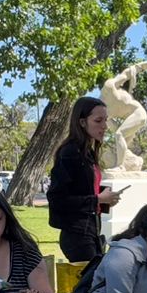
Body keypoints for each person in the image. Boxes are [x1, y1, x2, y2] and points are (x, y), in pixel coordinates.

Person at [48, 95, 123, 263]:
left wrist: (104, 200)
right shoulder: (69, 153)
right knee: (90, 286)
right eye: (98, 121)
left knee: (94, 284)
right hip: (77, 234)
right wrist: (97, 199)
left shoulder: (87, 153)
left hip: (91, 231)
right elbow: (56, 199)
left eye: (106, 120)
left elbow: (83, 189)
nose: (104, 126)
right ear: (82, 122)